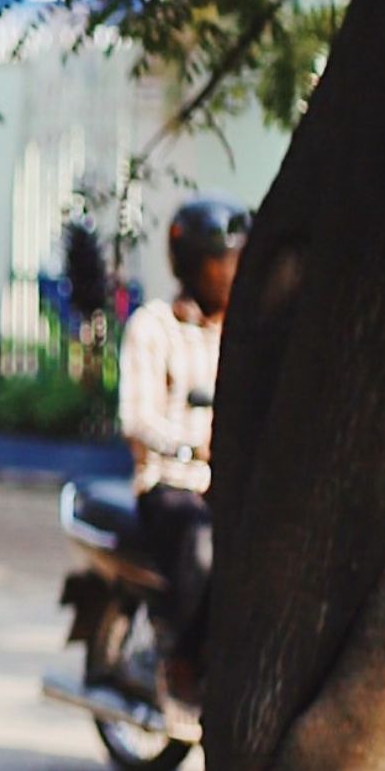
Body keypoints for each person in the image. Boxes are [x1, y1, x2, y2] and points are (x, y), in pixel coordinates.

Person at [117, 198, 245, 707]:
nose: (234, 271)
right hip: (171, 485)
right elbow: (136, 418)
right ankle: (184, 663)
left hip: (227, 486)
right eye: (224, 260)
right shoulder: (153, 326)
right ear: (194, 265)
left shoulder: (246, 333)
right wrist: (194, 444)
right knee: (202, 542)